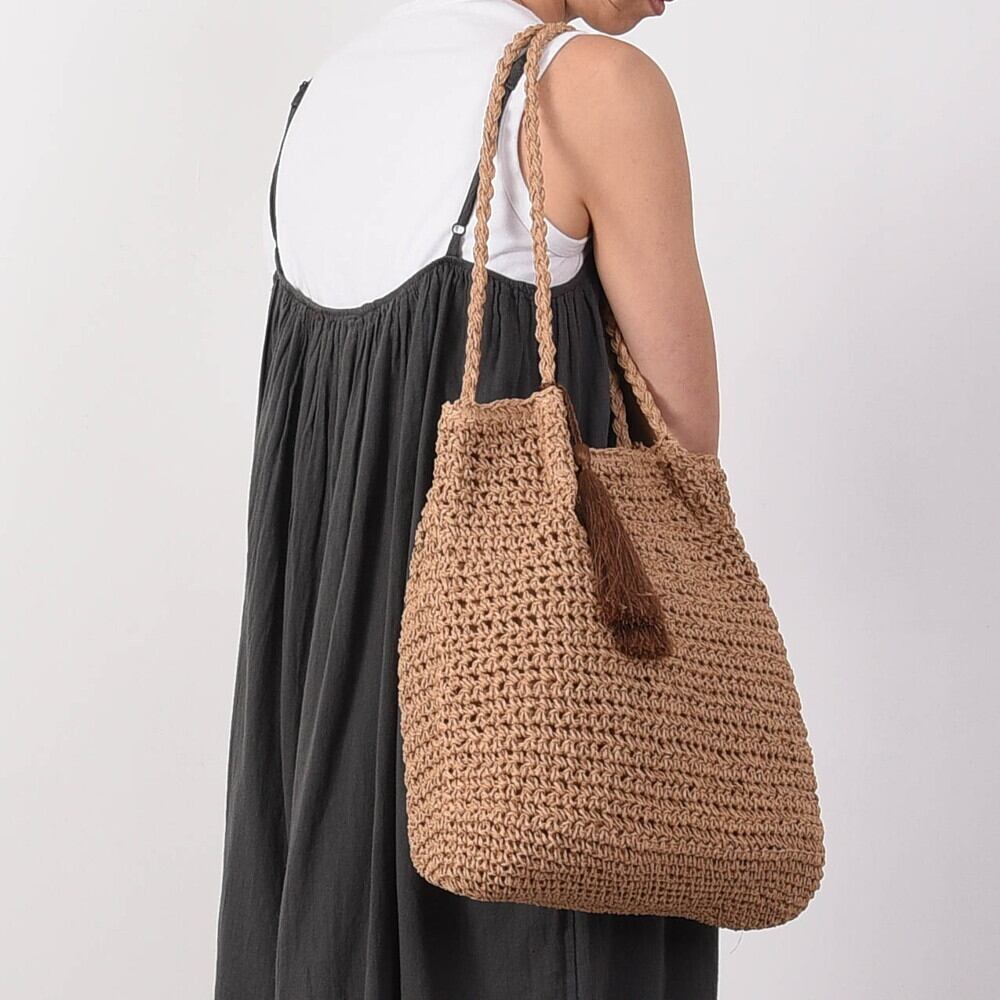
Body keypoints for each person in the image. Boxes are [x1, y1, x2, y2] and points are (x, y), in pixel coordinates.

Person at [215, 1, 720, 997]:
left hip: (328, 712)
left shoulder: (323, 96)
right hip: (525, 718)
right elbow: (683, 436)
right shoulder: (593, 87)